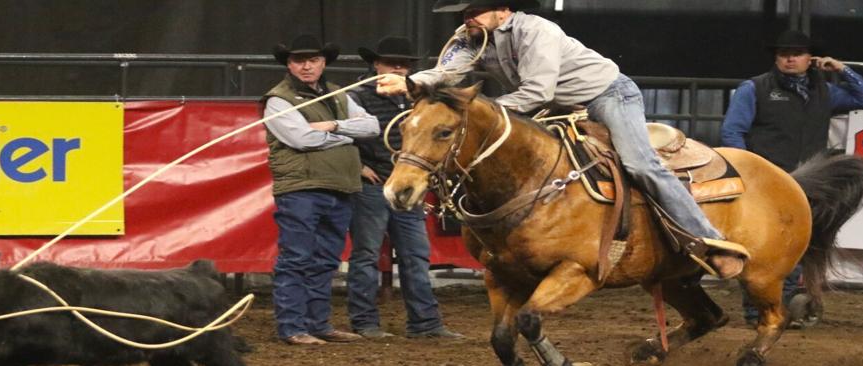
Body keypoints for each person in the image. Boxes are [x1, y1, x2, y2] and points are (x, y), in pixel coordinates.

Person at [375, 1, 751, 280]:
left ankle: (708, 239)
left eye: (474, 10)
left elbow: (537, 92)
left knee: (639, 163)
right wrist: (412, 82)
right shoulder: (472, 37)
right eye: (463, 12)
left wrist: (484, 114)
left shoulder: (537, 31)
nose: (466, 18)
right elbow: (448, 71)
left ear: (502, 10)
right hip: (560, 106)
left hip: (607, 96)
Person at [721, 29, 863, 327]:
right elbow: (733, 132)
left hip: (806, 182)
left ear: (811, 59)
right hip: (767, 181)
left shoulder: (825, 91)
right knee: (762, 246)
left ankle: (777, 309)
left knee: (795, 244)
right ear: (776, 58)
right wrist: (747, 172)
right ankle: (759, 311)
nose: (790, 58)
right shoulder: (754, 88)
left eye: (797, 53)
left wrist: (842, 69)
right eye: (784, 53)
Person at [343, 36, 464, 341]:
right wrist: (358, 166)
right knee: (367, 253)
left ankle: (425, 323)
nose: (398, 67)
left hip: (406, 186)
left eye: (404, 64)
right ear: (376, 65)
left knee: (415, 254)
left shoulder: (418, 98)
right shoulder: (356, 96)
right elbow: (344, 135)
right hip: (373, 184)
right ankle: (365, 322)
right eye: (390, 63)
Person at [262, 34, 381, 345]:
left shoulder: (337, 94)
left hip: (339, 186)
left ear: (323, 63)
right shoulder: (278, 99)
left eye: (313, 60)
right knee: (298, 257)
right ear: (289, 64)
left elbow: (372, 127)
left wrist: (334, 127)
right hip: (301, 188)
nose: (306, 66)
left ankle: (317, 324)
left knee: (326, 259)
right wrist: (348, 135)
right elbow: (302, 139)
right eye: (299, 60)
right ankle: (292, 327)